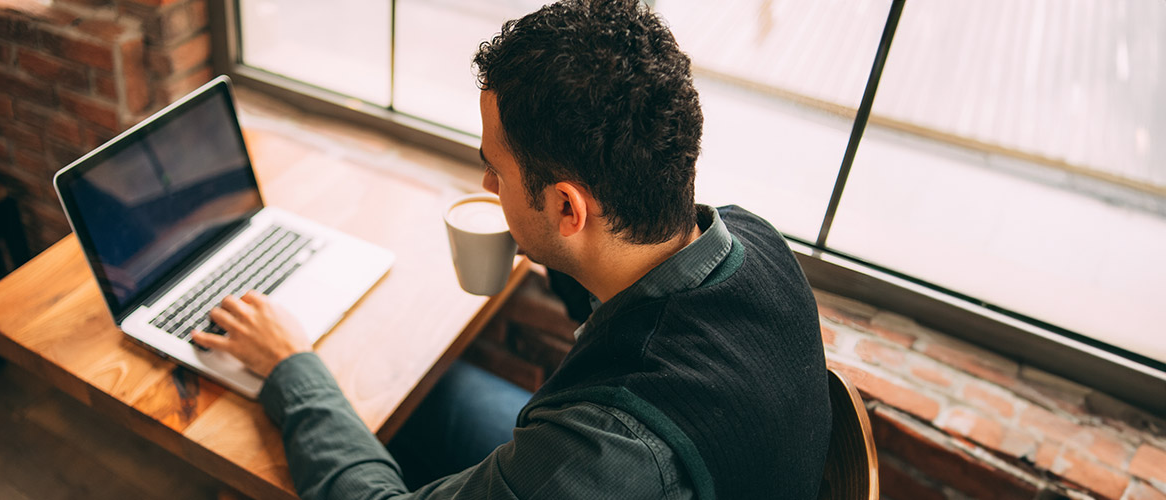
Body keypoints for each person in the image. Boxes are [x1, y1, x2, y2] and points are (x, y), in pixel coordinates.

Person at [191, 0, 832, 497]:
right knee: (423, 400)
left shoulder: (608, 448)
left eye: (495, 170)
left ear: (566, 207)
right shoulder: (754, 239)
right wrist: (549, 247)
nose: (486, 185)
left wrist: (289, 366)